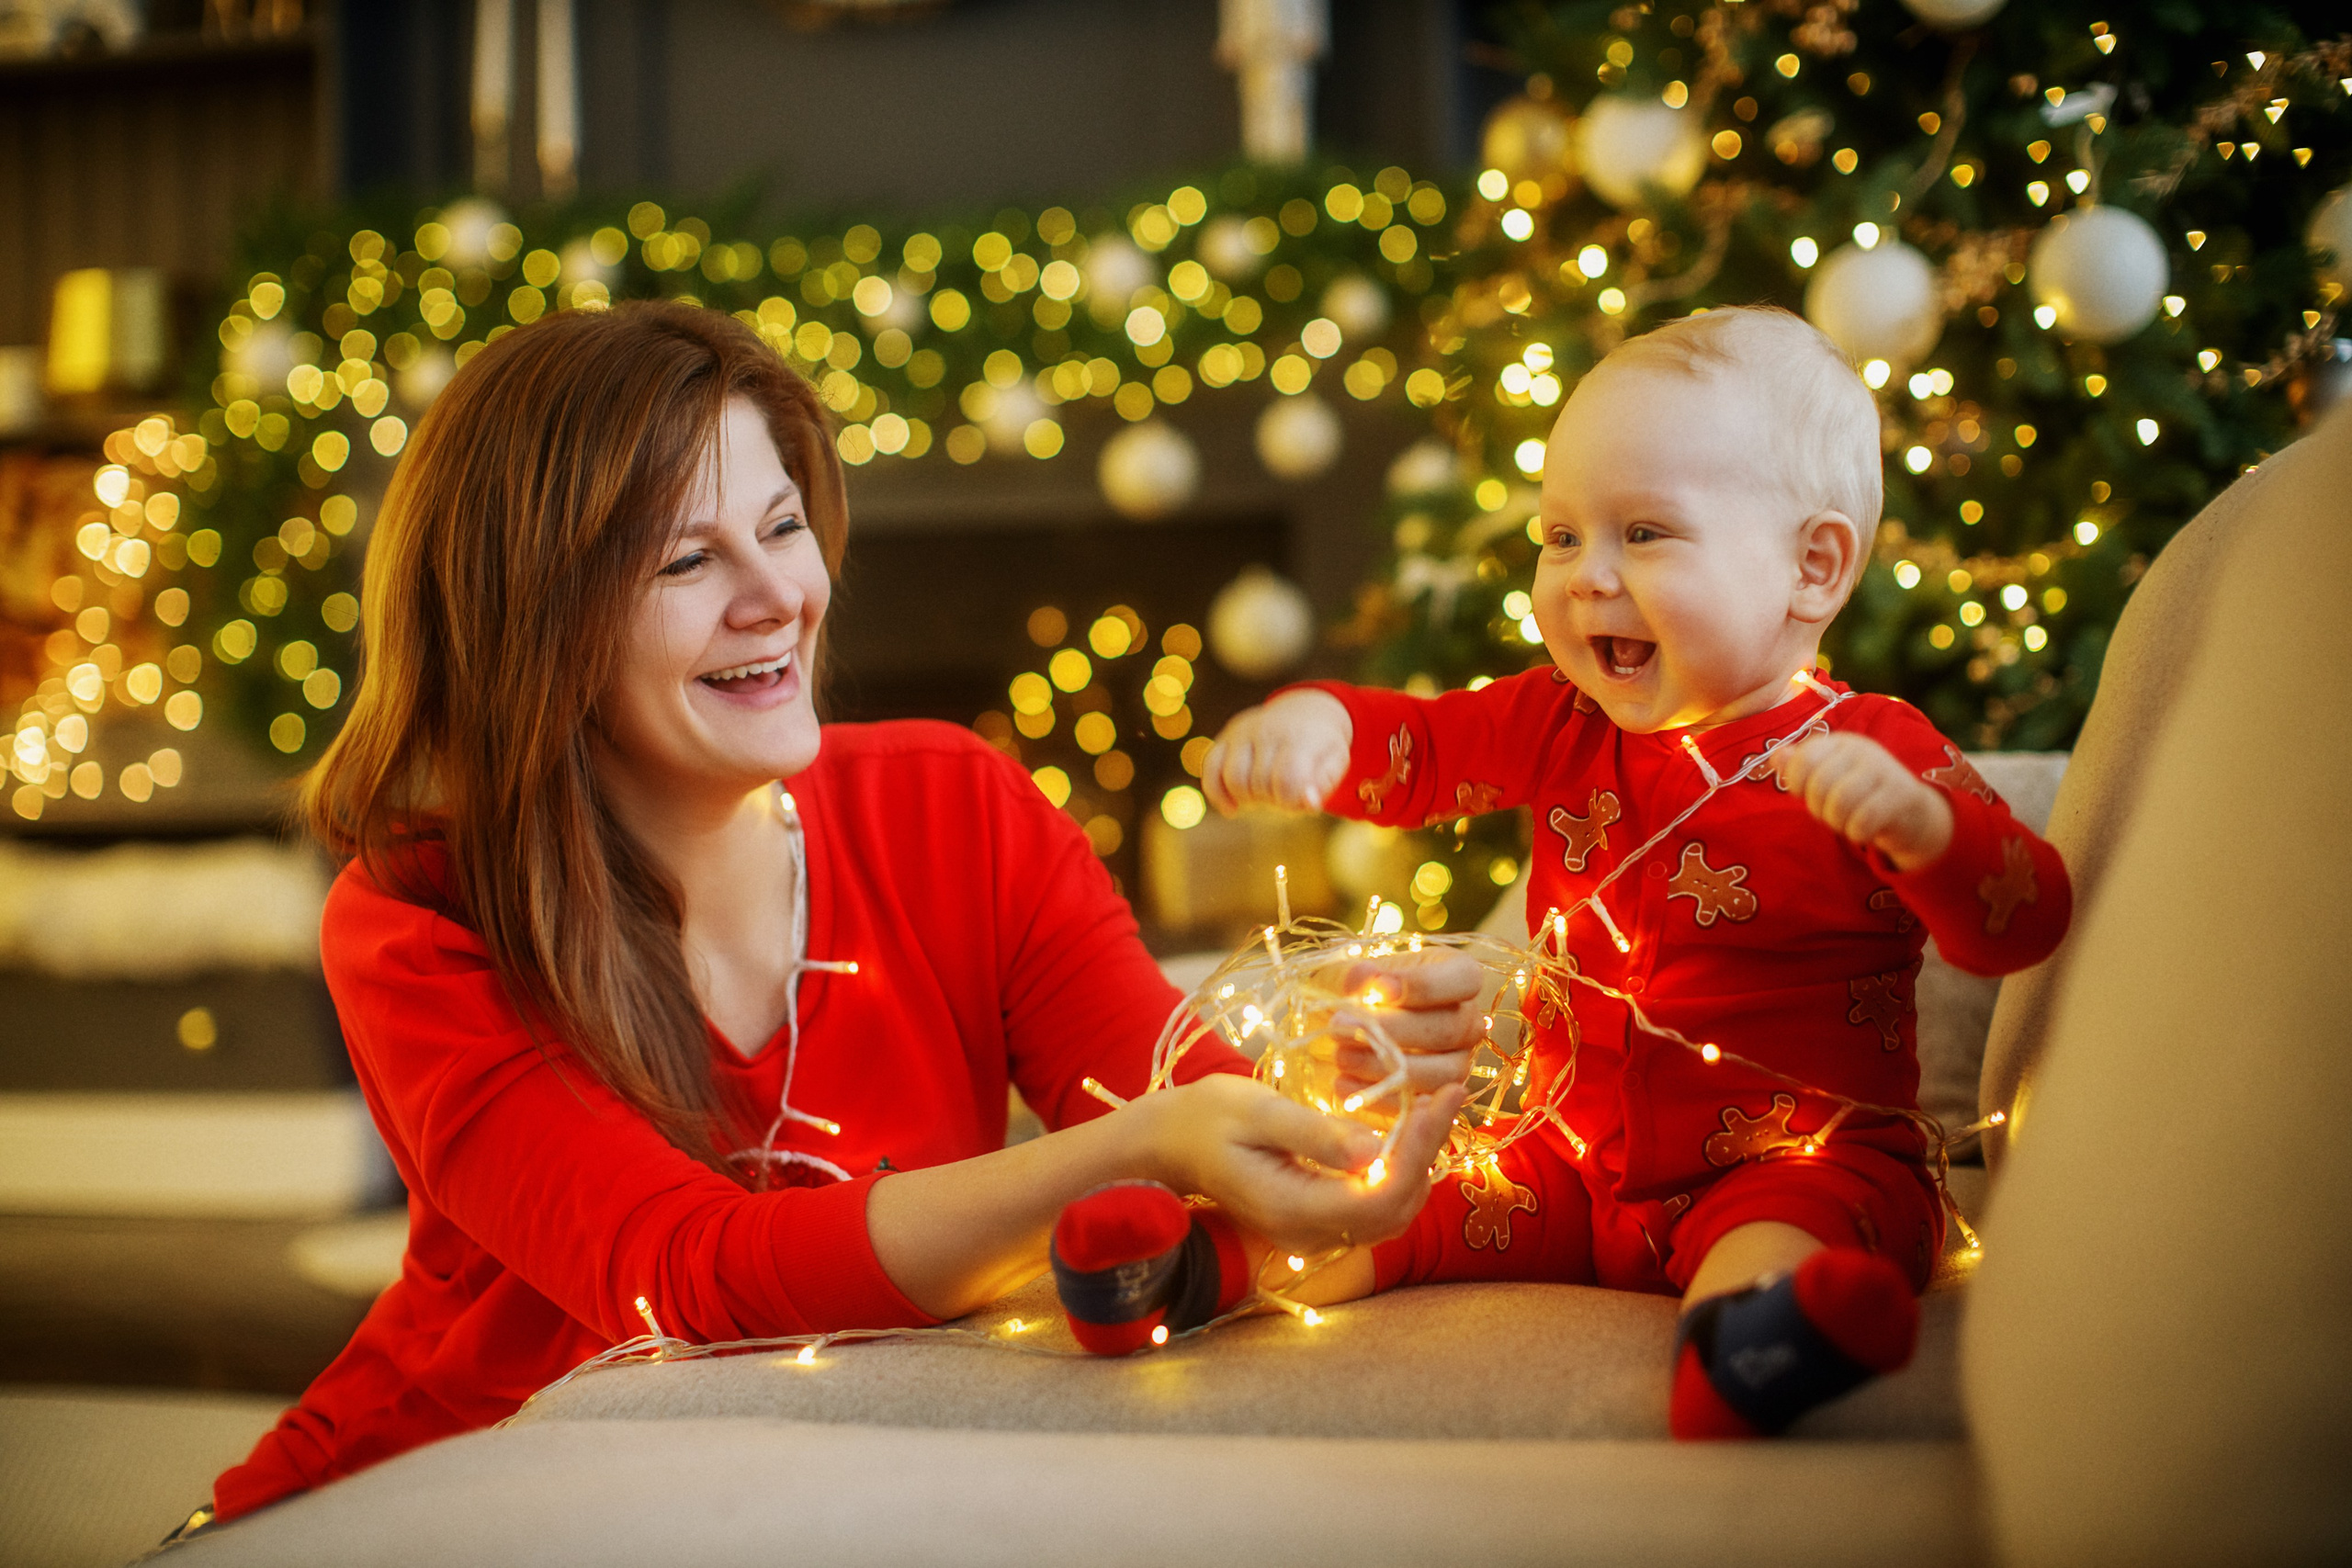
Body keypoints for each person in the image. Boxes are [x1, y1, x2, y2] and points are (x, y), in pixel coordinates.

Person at [195, 300, 1476, 1529]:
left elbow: (1185, 1115)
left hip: (818, 1494)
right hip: (451, 1488)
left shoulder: (954, 804)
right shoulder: (419, 916)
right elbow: (688, 1275)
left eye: (783, 525)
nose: (777, 597)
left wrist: (1319, 1089)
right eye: (686, 558)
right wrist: (1151, 1139)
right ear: (534, 623)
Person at [1050, 307, 2071, 1438]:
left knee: (1787, 1223)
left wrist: (1927, 835)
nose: (1585, 578)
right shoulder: (1560, 720)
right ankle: (1195, 1270)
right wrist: (1323, 727)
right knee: (1407, 1197)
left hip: (1792, 1161)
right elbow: (1425, 751)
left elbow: (2021, 921)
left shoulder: (1871, 750)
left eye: (1643, 534)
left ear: (1811, 567)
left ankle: (1756, 1343)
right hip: (1569, 1160)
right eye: (1559, 536)